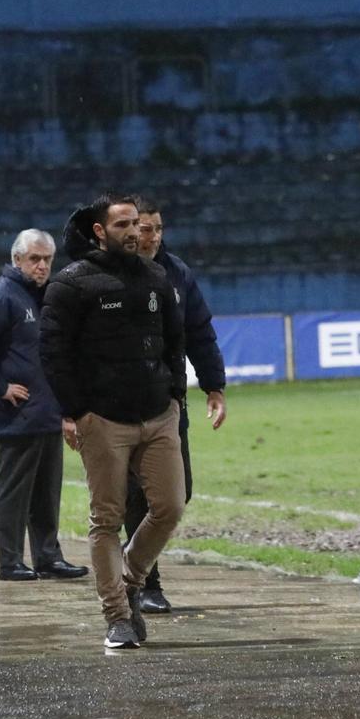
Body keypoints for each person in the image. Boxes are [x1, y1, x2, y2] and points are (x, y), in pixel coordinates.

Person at [40, 195, 186, 649]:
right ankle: (117, 617)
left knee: (170, 507)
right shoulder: (72, 283)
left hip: (159, 414)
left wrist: (176, 395)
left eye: (137, 224)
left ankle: (131, 578)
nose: (134, 231)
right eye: (122, 224)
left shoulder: (157, 276)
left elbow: (174, 340)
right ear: (100, 231)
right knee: (106, 518)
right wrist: (77, 410)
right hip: (102, 419)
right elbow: (52, 352)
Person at [0, 230, 89, 582]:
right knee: (14, 491)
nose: (42, 266)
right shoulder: (3, 295)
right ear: (17, 259)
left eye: (48, 259)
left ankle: (48, 556)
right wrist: (0, 387)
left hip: (47, 410)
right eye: (35, 259)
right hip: (19, 414)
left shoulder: (46, 295)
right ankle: (11, 561)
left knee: (47, 492)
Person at [125, 198, 226, 613]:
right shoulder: (106, 274)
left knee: (177, 493)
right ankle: (144, 583)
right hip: (121, 405)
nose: (153, 237)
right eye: (146, 229)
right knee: (135, 495)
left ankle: (131, 566)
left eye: (159, 229)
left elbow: (200, 332)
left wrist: (214, 386)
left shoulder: (178, 274)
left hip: (170, 402)